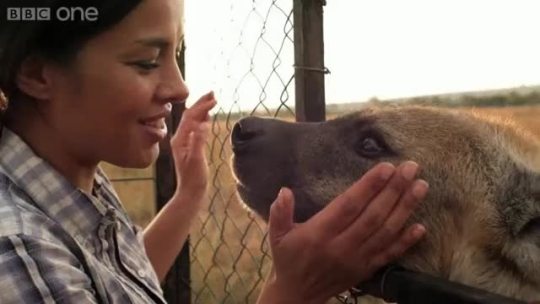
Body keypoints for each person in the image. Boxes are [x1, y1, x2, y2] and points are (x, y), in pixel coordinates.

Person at [0, 0, 428, 303]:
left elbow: (112, 284)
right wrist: (293, 291)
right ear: (37, 73)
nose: (180, 87)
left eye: (176, 55)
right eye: (147, 62)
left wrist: (189, 195)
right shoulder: (19, 255)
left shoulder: (65, 180)